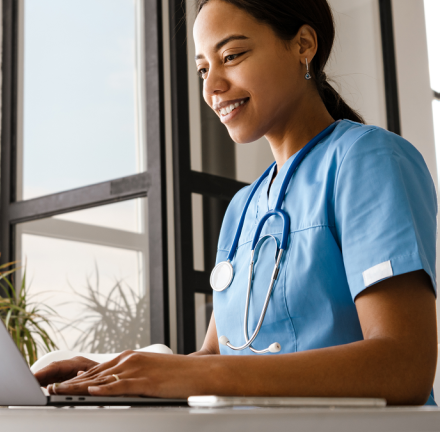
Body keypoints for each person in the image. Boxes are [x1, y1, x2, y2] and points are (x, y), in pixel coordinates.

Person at [34, 0, 438, 405]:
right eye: (203, 70)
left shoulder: (367, 160)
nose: (211, 88)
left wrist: (202, 372)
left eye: (231, 56)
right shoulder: (244, 207)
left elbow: (405, 366)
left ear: (303, 45)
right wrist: (112, 374)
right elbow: (216, 355)